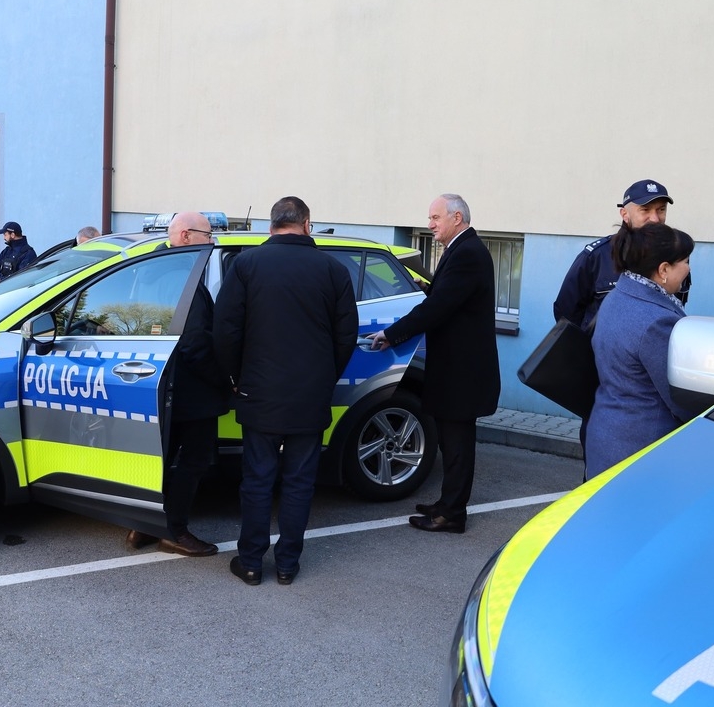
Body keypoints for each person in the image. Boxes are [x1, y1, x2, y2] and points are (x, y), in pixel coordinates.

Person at [213, 196, 358, 585]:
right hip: (310, 395)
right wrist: (325, 377)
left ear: (272, 224)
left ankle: (250, 562)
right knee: (299, 482)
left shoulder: (246, 265)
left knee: (257, 480)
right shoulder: (333, 269)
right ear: (307, 224)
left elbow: (225, 330)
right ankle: (287, 565)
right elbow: (347, 335)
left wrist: (234, 377)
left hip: (258, 393)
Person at [369, 194, 500, 534]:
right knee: (450, 441)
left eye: (435, 218)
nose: (430, 225)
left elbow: (439, 307)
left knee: (457, 446)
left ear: (457, 217)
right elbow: (451, 297)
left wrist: (392, 334)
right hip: (455, 369)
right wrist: (428, 287)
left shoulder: (467, 252)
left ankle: (452, 514)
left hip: (462, 372)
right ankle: (446, 504)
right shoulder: (461, 249)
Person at [125, 212, 230, 557]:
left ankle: (143, 525)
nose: (212, 241)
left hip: (160, 383)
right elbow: (194, 342)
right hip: (192, 389)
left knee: (162, 457)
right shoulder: (181, 276)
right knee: (193, 461)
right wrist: (224, 379)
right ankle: (175, 531)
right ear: (185, 235)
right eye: (207, 234)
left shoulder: (153, 269)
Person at [585, 222, 696, 479]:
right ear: (664, 270)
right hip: (639, 451)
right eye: (686, 261)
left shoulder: (619, 295)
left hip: (606, 435)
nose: (689, 269)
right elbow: (679, 400)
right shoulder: (657, 321)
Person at [554, 180, 681, 333]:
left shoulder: (675, 256)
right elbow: (566, 311)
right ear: (625, 214)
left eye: (661, 209)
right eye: (645, 210)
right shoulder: (597, 257)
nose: (655, 218)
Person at [0, 221, 36, 286]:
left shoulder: (28, 253)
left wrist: (0, 280)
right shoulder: (7, 250)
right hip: (1, 288)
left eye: (5, 235)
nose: (4, 238)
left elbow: (21, 278)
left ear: (12, 235)